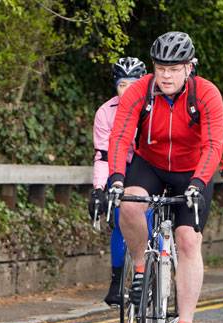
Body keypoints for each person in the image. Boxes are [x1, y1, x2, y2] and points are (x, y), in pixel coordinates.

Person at [107, 31, 223, 323]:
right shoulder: (140, 91)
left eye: (173, 69)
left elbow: (215, 144)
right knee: (129, 205)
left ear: (189, 67)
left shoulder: (206, 94)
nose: (166, 75)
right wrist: (116, 178)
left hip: (192, 170)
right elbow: (119, 136)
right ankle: (141, 269)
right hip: (152, 164)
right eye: (160, 68)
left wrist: (199, 183)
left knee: (187, 239)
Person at [88, 57, 147, 306]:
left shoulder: (152, 108)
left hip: (146, 165)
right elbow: (102, 154)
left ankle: (152, 266)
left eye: (134, 85)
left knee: (147, 210)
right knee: (120, 219)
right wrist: (98, 189)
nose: (128, 90)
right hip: (118, 165)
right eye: (123, 84)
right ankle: (116, 282)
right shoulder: (105, 112)